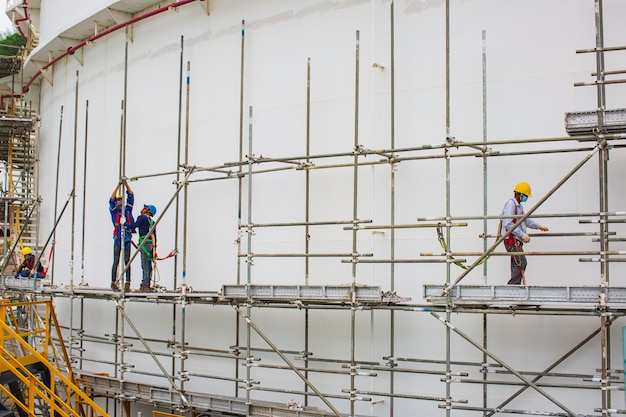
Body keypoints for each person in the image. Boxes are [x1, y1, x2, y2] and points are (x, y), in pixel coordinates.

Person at [501, 182, 549, 285]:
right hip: (511, 240)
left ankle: (514, 288)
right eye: (525, 196)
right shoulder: (511, 204)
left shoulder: (519, 207)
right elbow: (507, 223)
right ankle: (512, 288)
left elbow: (525, 221)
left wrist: (539, 227)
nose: (526, 198)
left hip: (515, 240)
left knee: (517, 263)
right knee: (521, 262)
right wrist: (521, 234)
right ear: (520, 194)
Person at [126, 204, 157, 292]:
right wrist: (155, 250)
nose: (142, 209)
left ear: (148, 211)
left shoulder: (142, 218)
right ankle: (147, 283)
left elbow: (134, 226)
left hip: (145, 244)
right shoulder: (152, 222)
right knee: (149, 265)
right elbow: (155, 236)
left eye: (144, 208)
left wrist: (124, 223)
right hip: (151, 245)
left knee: (145, 265)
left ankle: (145, 285)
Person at [109, 182, 134, 291]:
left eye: (121, 200)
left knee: (127, 261)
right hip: (118, 239)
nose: (119, 201)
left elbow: (131, 195)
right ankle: (113, 282)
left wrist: (126, 185)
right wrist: (118, 186)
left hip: (127, 239)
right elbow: (111, 199)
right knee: (116, 261)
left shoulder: (127, 210)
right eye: (118, 200)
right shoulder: (114, 211)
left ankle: (128, 282)